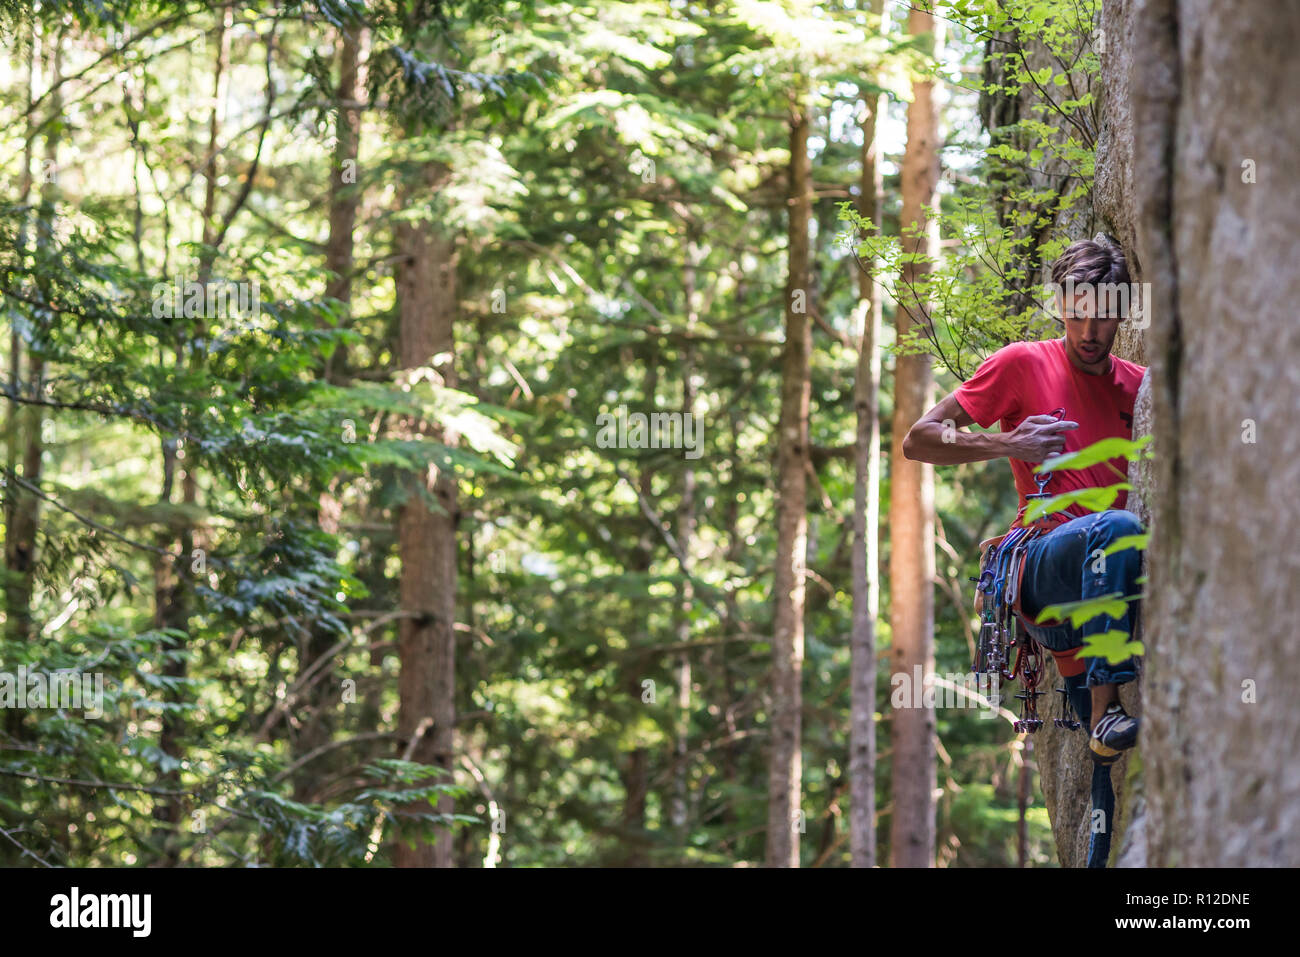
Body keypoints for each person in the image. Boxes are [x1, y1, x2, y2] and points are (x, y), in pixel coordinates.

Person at [902, 236, 1146, 765]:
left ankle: (1099, 723)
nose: (1088, 332)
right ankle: (1107, 708)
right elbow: (918, 439)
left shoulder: (1140, 389)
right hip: (1041, 565)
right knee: (1116, 528)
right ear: (1061, 306)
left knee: (1121, 532)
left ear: (1123, 313)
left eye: (1103, 318)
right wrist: (1009, 442)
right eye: (1076, 315)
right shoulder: (1020, 364)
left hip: (1105, 578)